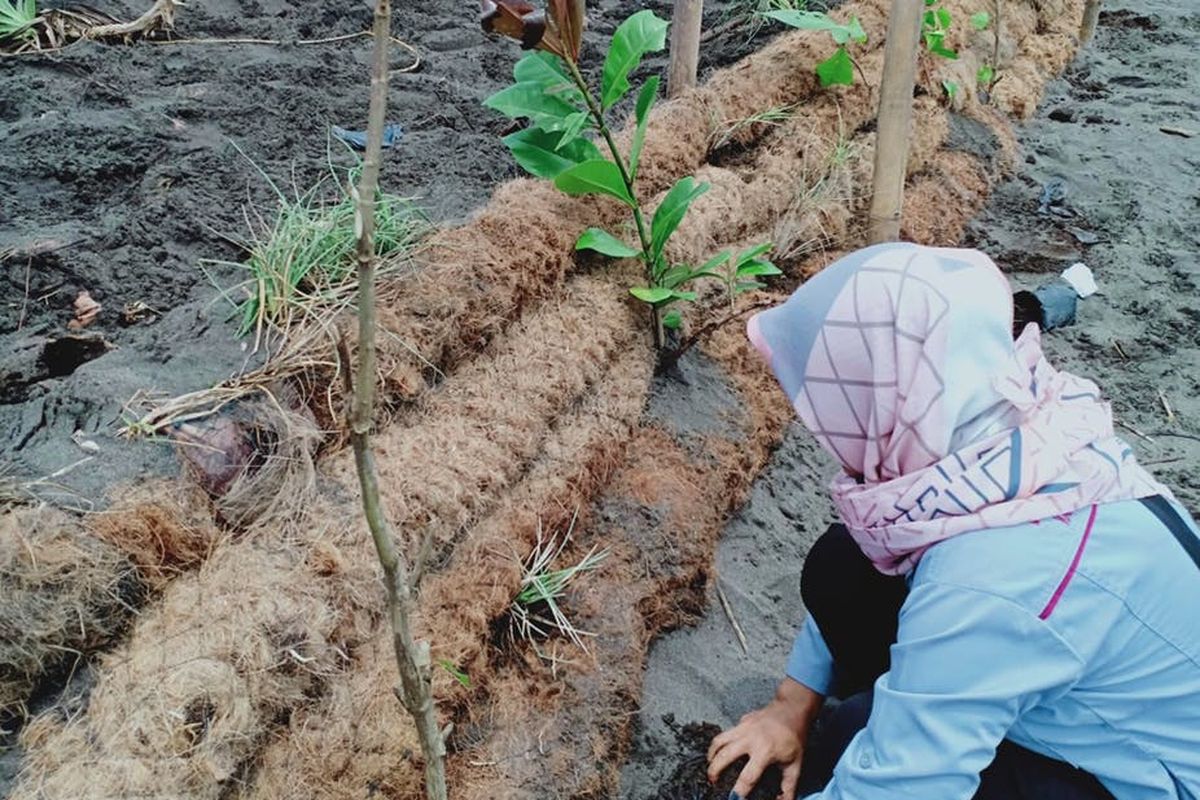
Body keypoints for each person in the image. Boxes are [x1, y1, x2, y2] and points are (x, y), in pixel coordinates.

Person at [706, 243, 1200, 800]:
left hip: (1153, 779)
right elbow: (883, 560)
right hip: (1083, 689)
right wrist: (788, 709)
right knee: (845, 567)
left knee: (855, 739)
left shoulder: (988, 577)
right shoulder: (1013, 434)